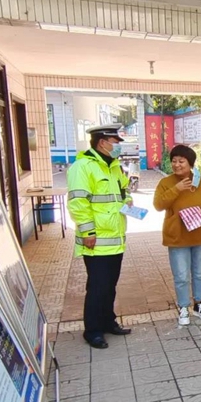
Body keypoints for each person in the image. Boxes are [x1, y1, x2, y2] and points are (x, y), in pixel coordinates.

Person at [66, 124, 133, 349]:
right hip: (96, 240)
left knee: (110, 285)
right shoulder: (82, 167)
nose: (118, 147)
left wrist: (128, 202)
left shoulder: (114, 167)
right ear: (102, 142)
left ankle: (108, 321)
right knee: (97, 286)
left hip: (115, 238)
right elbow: (78, 202)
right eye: (115, 142)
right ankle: (92, 330)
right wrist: (88, 232)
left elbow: (123, 192)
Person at [154, 145, 201, 326]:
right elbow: (158, 205)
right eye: (174, 161)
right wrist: (177, 188)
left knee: (199, 273)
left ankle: (199, 304)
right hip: (177, 237)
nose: (177, 165)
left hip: (200, 235)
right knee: (181, 275)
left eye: (181, 161)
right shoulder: (165, 183)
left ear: (190, 163)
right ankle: (183, 306)